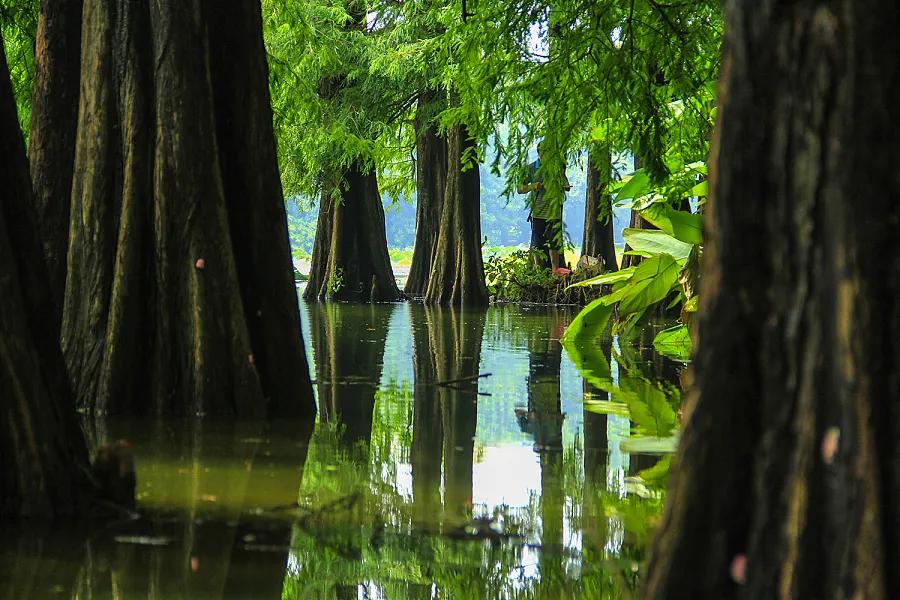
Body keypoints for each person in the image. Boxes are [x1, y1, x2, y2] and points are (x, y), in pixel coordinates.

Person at [518, 141, 571, 271]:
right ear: (540, 153)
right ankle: (538, 271)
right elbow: (520, 188)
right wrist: (533, 186)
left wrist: (564, 187)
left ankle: (555, 270)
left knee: (554, 244)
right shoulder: (530, 168)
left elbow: (566, 184)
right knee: (537, 243)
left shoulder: (557, 168)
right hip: (538, 212)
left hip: (554, 212)